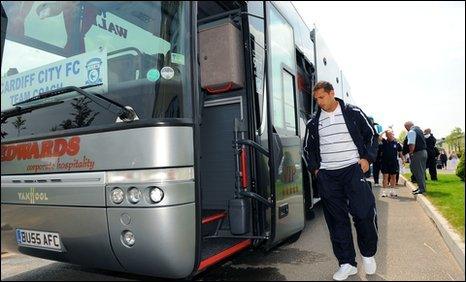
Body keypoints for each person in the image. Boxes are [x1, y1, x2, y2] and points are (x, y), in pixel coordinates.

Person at [304, 81, 378, 280]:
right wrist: (316, 170)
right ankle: (347, 263)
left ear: (332, 93)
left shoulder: (353, 113)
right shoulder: (313, 123)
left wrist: (367, 158)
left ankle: (368, 254)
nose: (319, 102)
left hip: (353, 170)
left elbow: (371, 136)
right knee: (337, 221)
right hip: (328, 175)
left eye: (322, 97)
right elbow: (308, 149)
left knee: (363, 213)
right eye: (316, 99)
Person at [404, 121, 427, 195]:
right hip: (423, 152)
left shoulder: (411, 131)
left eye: (405, 128)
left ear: (407, 126)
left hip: (417, 153)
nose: (406, 129)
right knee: (421, 171)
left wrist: (411, 152)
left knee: (417, 170)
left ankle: (422, 188)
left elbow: (411, 144)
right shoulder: (419, 130)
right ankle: (421, 187)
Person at [380, 130, 403, 197]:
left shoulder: (397, 143)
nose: (391, 135)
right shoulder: (384, 142)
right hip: (385, 162)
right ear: (386, 135)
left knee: (393, 177)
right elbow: (378, 136)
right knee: (385, 177)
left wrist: (403, 160)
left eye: (392, 134)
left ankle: (392, 191)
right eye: (389, 134)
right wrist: (384, 131)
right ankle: (384, 192)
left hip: (394, 163)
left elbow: (400, 153)